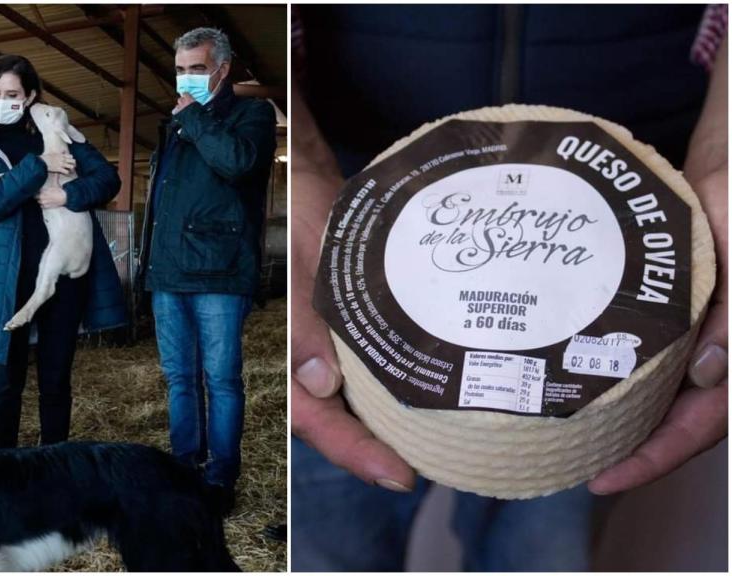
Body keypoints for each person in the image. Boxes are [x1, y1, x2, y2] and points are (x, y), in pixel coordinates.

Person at [290, 5, 727, 571]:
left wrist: (723, 147)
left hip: (630, 234)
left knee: (543, 549)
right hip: (360, 218)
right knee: (335, 545)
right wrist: (298, 158)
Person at [137, 27, 277, 514]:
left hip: (220, 270)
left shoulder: (252, 114)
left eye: (196, 69)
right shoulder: (174, 124)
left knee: (221, 379)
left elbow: (237, 163)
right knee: (179, 378)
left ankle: (219, 479)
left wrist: (195, 116)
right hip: (170, 270)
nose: (186, 78)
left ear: (223, 68)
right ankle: (183, 469)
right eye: (180, 70)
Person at [0, 55, 126, 448]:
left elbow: (108, 179)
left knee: (55, 376)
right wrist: (39, 165)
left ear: (30, 95)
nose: (3, 101)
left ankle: (54, 461)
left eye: (12, 93)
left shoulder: (60, 132)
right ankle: (2, 464)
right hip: (9, 272)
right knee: (7, 379)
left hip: (65, 273)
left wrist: (68, 192)